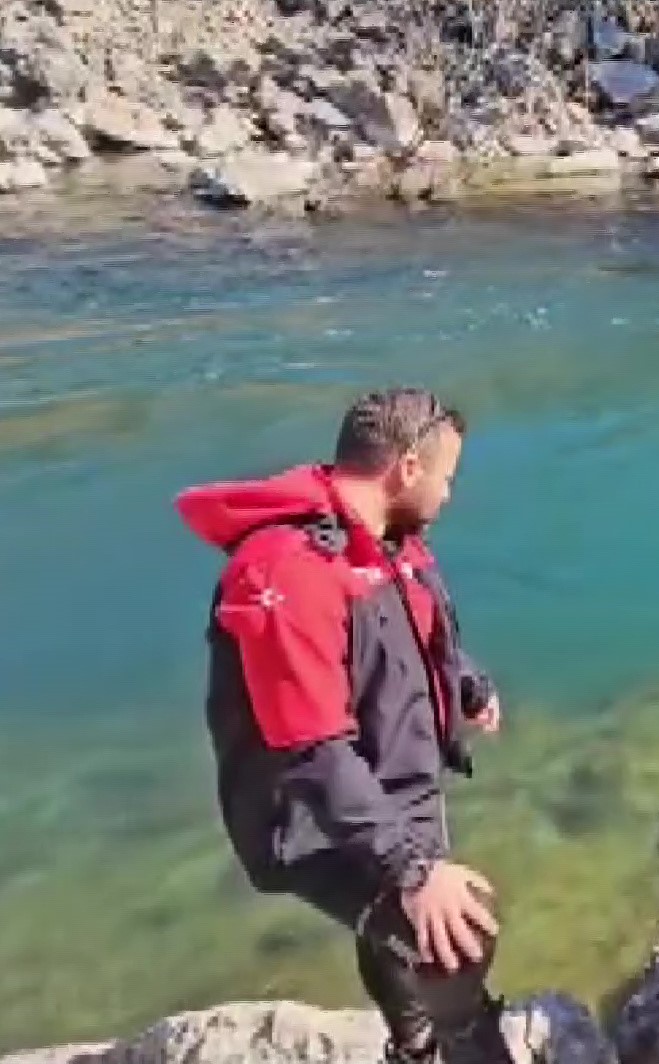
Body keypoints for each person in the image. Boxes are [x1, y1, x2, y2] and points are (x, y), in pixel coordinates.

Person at [176, 388, 513, 1064]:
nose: (450, 494)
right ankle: (463, 1046)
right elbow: (312, 752)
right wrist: (414, 870)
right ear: (407, 468)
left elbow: (416, 627)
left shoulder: (387, 540)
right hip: (316, 816)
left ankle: (413, 1043)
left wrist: (466, 684)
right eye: (447, 476)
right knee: (456, 936)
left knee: (402, 931)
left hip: (392, 780)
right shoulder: (288, 571)